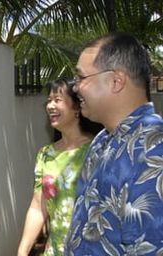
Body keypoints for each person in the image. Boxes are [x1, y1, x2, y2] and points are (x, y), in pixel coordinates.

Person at [64, 33, 163, 254]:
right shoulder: (102, 140)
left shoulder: (153, 150)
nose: (75, 87)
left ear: (116, 81)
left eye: (81, 78)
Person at [17, 78, 103, 256]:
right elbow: (37, 206)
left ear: (77, 107)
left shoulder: (98, 149)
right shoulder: (46, 154)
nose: (50, 106)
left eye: (57, 100)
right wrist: (22, 251)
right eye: (49, 101)